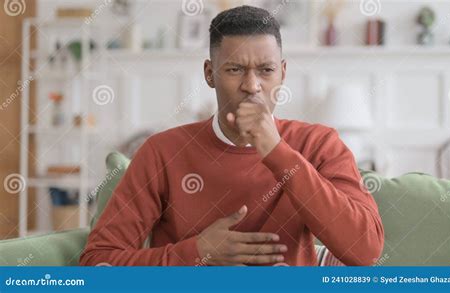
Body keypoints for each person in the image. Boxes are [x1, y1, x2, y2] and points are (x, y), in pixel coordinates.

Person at [80, 5, 384, 266]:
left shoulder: (318, 144)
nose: (252, 86)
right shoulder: (163, 151)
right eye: (235, 69)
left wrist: (276, 151)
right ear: (210, 74)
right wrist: (197, 253)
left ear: (283, 73)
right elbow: (99, 262)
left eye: (266, 70)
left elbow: (366, 251)